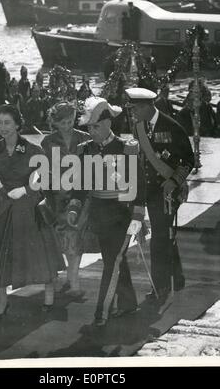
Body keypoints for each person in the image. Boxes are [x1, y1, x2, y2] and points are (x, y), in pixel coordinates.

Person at [0, 104, 65, 320]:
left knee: (40, 257)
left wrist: (26, 190)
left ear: (18, 124)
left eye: (7, 122)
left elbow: (46, 181)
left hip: (29, 209)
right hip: (3, 208)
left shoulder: (33, 150)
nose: (2, 127)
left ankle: (49, 297)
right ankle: (2, 302)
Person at [67, 96, 146, 326]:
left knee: (112, 263)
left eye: (96, 126)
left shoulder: (126, 149)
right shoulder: (85, 150)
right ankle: (129, 304)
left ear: (108, 124)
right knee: (114, 259)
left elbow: (138, 185)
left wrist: (138, 217)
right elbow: (79, 187)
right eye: (89, 127)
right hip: (98, 216)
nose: (91, 131)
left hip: (122, 215)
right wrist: (74, 208)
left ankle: (101, 313)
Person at [125, 87, 194, 304]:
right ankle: (177, 276)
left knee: (160, 238)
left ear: (147, 106)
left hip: (167, 192)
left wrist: (174, 182)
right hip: (147, 190)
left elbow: (187, 160)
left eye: (135, 109)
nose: (132, 113)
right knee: (164, 236)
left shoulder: (172, 127)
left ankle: (160, 286)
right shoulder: (139, 127)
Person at [41, 102, 90, 297]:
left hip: (80, 194)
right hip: (57, 196)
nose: (68, 125)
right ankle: (71, 277)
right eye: (63, 122)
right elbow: (44, 171)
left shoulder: (85, 138)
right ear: (56, 123)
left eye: (71, 121)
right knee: (64, 237)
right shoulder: (47, 142)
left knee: (77, 235)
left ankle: (74, 278)